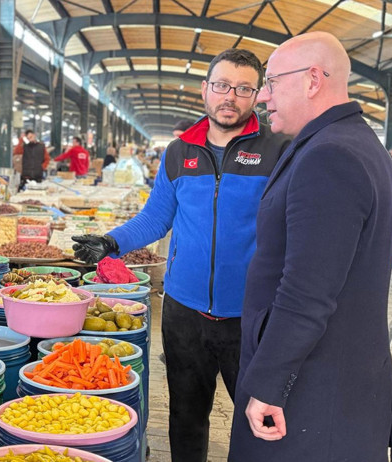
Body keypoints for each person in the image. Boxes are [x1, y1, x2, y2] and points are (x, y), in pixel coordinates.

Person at [71, 49, 291, 462]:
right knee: (186, 418)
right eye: (222, 85)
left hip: (253, 316)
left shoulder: (279, 149)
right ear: (205, 89)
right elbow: (156, 217)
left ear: (257, 94)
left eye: (244, 88)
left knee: (258, 423)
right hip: (184, 312)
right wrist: (112, 242)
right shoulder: (178, 152)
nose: (231, 96)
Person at [228, 32, 392, 462]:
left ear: (311, 80)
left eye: (270, 82)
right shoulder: (348, 143)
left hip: (311, 395)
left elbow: (307, 290)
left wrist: (267, 385)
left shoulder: (330, 157)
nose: (263, 97)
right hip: (332, 382)